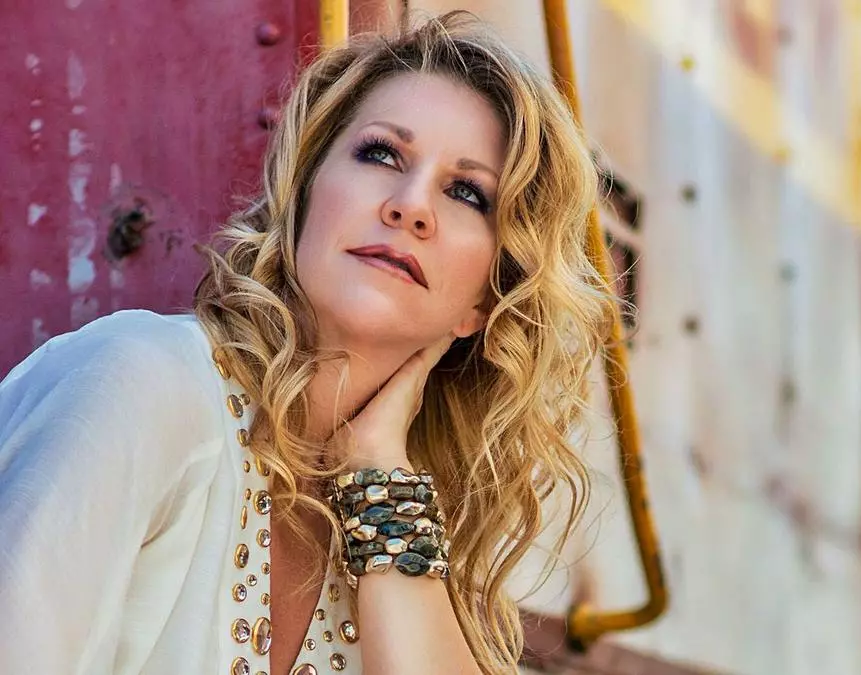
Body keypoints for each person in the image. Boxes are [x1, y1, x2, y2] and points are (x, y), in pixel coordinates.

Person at [0, 11, 618, 675]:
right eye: (381, 154)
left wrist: (379, 470)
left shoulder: (387, 525)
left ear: (485, 300)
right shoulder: (141, 385)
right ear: (303, 191)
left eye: (467, 193)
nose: (411, 206)